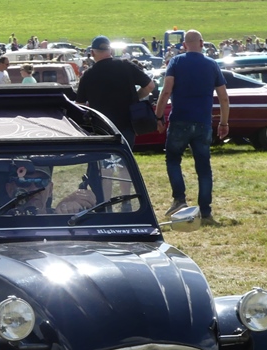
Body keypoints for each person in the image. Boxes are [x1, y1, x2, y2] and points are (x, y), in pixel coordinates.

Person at [155, 29, 229, 226]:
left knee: (173, 160)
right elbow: (223, 97)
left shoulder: (176, 62)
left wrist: (159, 116)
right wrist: (224, 122)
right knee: (204, 168)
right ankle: (205, 212)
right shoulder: (212, 64)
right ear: (202, 43)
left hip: (180, 120)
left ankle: (179, 199)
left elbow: (166, 91)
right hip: (203, 122)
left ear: (184, 45)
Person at [76, 35, 154, 148]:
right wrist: (135, 97)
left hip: (102, 127)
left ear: (92, 53)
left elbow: (80, 105)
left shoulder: (87, 75)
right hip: (127, 125)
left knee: (104, 158)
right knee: (124, 157)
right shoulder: (126, 65)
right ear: (111, 50)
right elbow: (150, 86)